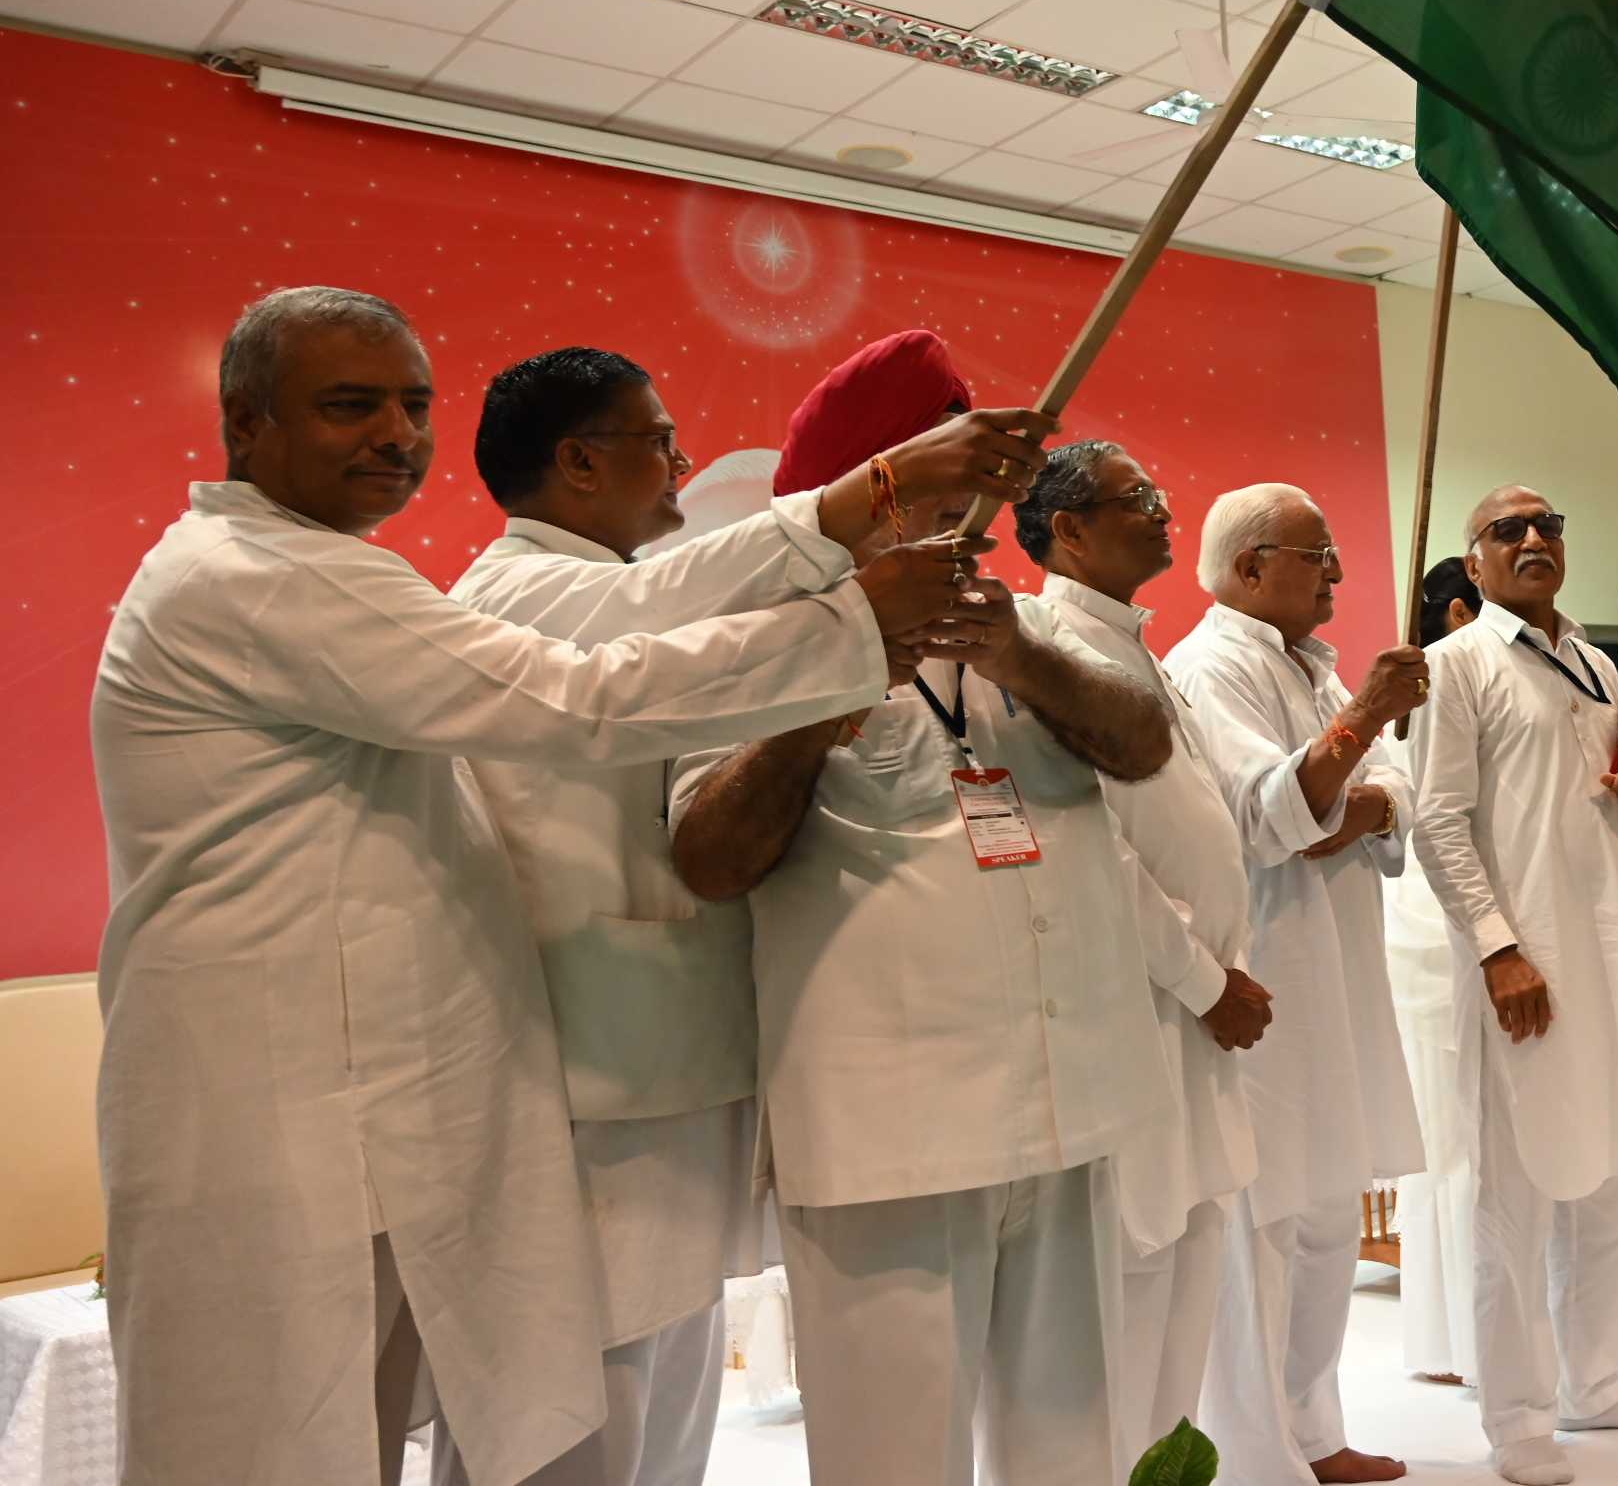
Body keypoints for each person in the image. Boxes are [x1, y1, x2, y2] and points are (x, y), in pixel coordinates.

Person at [89, 288, 983, 1486]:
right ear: (245, 422)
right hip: (287, 1104)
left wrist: (845, 560)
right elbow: (578, 695)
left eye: (412, 405)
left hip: (394, 1096)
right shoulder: (254, 575)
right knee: (280, 1448)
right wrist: (850, 602)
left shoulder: (330, 570)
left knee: (439, 1427)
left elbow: (641, 621)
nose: (395, 434)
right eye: (351, 405)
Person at [449, 343, 1054, 1486]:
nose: (681, 467)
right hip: (578, 1073)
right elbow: (660, 616)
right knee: (576, 1406)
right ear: (577, 462)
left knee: (662, 1389)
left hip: (662, 1067)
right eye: (657, 442)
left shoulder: (614, 587)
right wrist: (867, 540)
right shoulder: (521, 589)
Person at [667, 336, 1181, 1486]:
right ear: (869, 485)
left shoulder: (1013, 616)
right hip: (893, 1135)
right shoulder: (755, 630)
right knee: (894, 1458)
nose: (980, 499)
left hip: (1068, 1105)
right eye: (951, 473)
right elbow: (709, 853)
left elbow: (1143, 742)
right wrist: (837, 681)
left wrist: (1017, 654)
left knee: (1073, 1451)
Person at [1410, 486, 1618, 1486]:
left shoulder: (1596, 664)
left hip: (1609, 955)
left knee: (1615, 1175)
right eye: (1508, 530)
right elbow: (1436, 821)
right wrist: (1496, 949)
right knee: (1516, 1198)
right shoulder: (1455, 665)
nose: (1533, 538)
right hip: (1523, 969)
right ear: (1474, 561)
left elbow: (1603, 810)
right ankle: (1520, 1420)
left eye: (1549, 525)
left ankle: (1595, 1382)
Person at [1017, 442, 1277, 1468]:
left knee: (1188, 1274)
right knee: (1125, 1288)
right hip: (1133, 1012)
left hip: (1194, 1019)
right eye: (1139, 499)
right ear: (1069, 530)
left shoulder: (1133, 648)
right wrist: (1206, 982)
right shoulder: (1047, 647)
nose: (1164, 511)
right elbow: (1091, 850)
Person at [1164, 487, 1430, 1486]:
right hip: (1265, 977)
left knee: (1325, 1216)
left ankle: (1312, 1431)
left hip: (1336, 973)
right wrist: (1361, 728)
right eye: (1316, 555)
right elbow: (1270, 815)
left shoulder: (1309, 664)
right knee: (1263, 1226)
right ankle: (1250, 1454)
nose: (1336, 573)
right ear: (1248, 567)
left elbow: (1385, 796)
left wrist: (1349, 799)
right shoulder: (1210, 667)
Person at [1380, 556, 1485, 1388]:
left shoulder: (1414, 696)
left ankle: (1452, 1337)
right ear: (1457, 614)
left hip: (1425, 933)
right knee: (1457, 1143)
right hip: (1437, 934)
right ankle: (1466, 1336)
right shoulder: (1436, 688)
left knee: (1453, 1143)